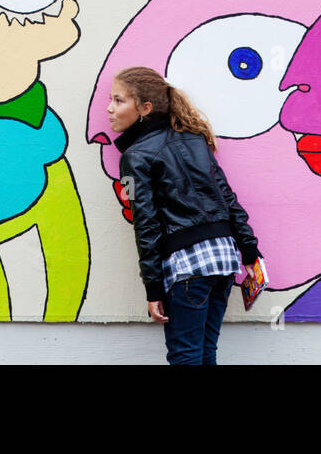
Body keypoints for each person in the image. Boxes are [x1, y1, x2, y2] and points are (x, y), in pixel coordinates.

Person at [109, 66, 261, 365]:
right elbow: (227, 197)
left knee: (185, 356)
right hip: (223, 259)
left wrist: (153, 288)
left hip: (188, 266)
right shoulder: (194, 139)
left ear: (145, 109)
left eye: (118, 100)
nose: (110, 109)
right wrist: (249, 252)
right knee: (204, 353)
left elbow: (146, 224)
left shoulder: (135, 156)